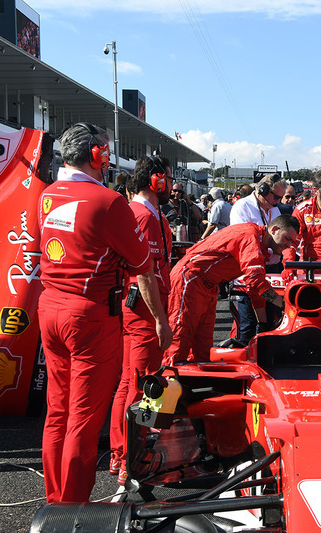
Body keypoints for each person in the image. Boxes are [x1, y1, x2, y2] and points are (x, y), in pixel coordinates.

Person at [37, 122, 153, 503]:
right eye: (106, 150)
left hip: (51, 306)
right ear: (97, 154)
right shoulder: (108, 202)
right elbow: (142, 261)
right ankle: (71, 507)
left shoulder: (48, 194)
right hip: (90, 315)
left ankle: (56, 498)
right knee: (83, 419)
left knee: (57, 411)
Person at [108, 156, 174, 485]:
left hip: (140, 308)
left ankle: (123, 452)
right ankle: (130, 456)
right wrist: (162, 320)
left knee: (129, 382)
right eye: (169, 179)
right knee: (144, 383)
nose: (172, 185)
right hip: (145, 310)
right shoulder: (143, 216)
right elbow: (145, 274)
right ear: (156, 181)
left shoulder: (146, 212)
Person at [164, 215, 299, 364]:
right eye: (287, 239)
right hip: (190, 279)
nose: (288, 246)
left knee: (203, 347)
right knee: (180, 337)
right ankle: (166, 380)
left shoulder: (258, 243)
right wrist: (283, 305)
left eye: (292, 242)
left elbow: (254, 288)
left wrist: (263, 324)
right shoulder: (250, 236)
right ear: (274, 229)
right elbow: (255, 281)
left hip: (207, 284)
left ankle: (190, 382)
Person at [229, 174, 286, 344]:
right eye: (276, 196)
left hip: (270, 270)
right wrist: (273, 247)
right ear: (262, 190)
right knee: (249, 322)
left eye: (281, 197)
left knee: (269, 322)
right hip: (249, 271)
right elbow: (245, 244)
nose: (278, 201)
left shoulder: (274, 208)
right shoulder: (242, 207)